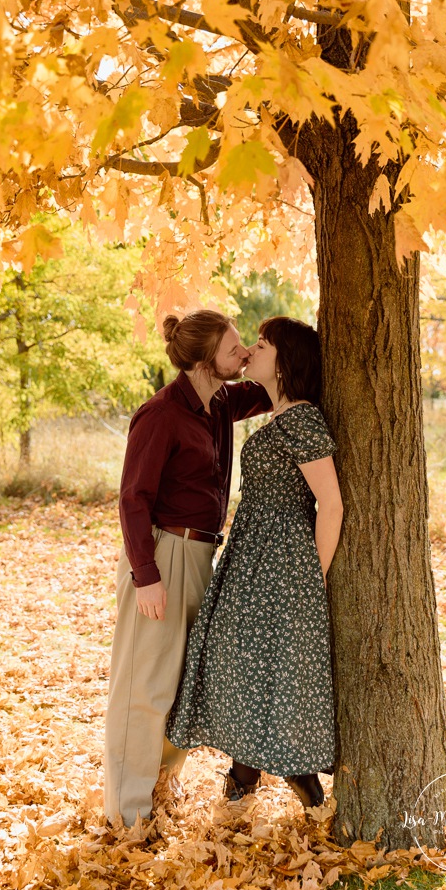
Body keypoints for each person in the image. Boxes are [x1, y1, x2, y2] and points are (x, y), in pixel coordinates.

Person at [166, 316, 343, 809]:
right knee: (242, 664)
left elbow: (331, 504)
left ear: (285, 362)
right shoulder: (279, 415)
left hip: (282, 566)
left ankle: (298, 780)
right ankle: (244, 773)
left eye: (262, 345)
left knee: (275, 669)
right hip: (253, 560)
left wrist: (311, 577)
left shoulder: (302, 419)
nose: (251, 351)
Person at [103, 310, 271, 826]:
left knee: (182, 683)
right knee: (144, 686)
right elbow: (133, 499)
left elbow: (272, 389)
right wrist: (146, 576)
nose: (244, 354)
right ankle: (127, 816)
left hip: (202, 556)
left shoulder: (221, 402)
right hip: (162, 554)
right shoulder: (160, 414)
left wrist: (285, 351)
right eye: (234, 349)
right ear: (203, 360)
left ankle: (159, 791)